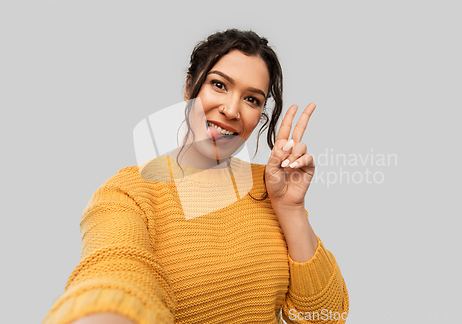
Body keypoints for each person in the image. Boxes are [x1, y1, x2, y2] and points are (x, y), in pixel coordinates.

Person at [43, 29, 349, 324]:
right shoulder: (128, 192)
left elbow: (325, 317)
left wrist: (291, 209)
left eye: (252, 99)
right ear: (190, 88)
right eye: (219, 85)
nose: (231, 110)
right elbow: (114, 273)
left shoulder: (271, 186)